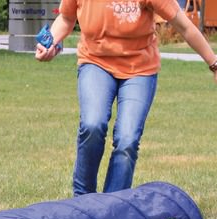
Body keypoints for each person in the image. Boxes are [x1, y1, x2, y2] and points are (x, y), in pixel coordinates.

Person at [35, 0, 217, 196]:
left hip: (140, 68)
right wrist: (51, 44)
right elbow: (66, 18)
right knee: (92, 124)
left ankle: (113, 207)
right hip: (95, 61)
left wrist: (213, 63)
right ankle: (82, 201)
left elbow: (184, 26)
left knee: (127, 139)